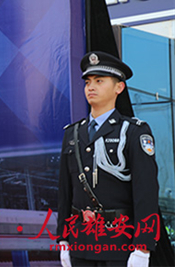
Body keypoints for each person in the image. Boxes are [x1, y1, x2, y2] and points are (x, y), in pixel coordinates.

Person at [57, 51, 159, 267]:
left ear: (118, 87)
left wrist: (143, 247)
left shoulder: (133, 132)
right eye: (88, 82)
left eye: (99, 81)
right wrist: (63, 239)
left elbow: (146, 193)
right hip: (80, 244)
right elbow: (65, 191)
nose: (91, 87)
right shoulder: (72, 133)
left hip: (118, 245)